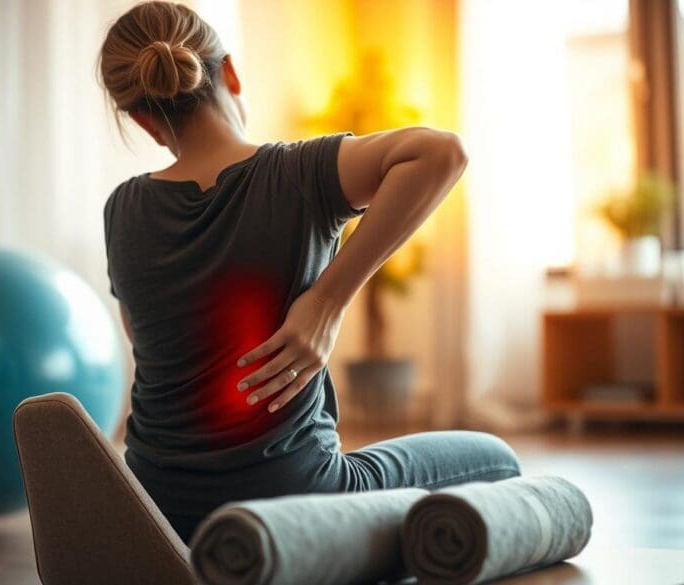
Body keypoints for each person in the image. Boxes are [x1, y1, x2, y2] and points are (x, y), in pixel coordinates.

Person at [99, 1, 520, 542]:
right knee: (497, 458)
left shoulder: (122, 209)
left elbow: (142, 337)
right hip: (299, 501)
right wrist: (327, 299)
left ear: (142, 120)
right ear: (229, 71)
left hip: (159, 511)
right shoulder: (298, 171)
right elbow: (442, 153)